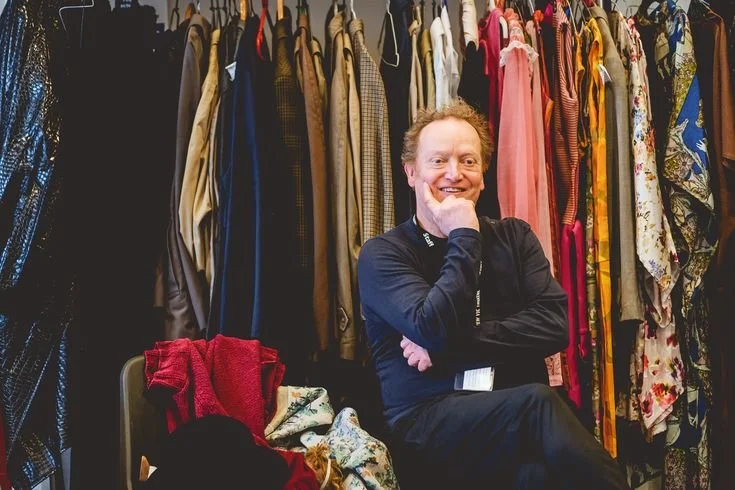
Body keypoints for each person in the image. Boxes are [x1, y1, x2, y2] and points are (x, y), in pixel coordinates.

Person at [358, 99, 629, 489]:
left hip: (512, 420)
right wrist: (463, 234)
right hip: (428, 422)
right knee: (539, 404)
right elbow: (430, 325)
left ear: (483, 174)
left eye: (468, 161)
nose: (455, 173)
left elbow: (554, 326)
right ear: (411, 172)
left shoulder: (514, 237)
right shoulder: (384, 254)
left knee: (536, 474)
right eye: (439, 161)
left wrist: (446, 350)